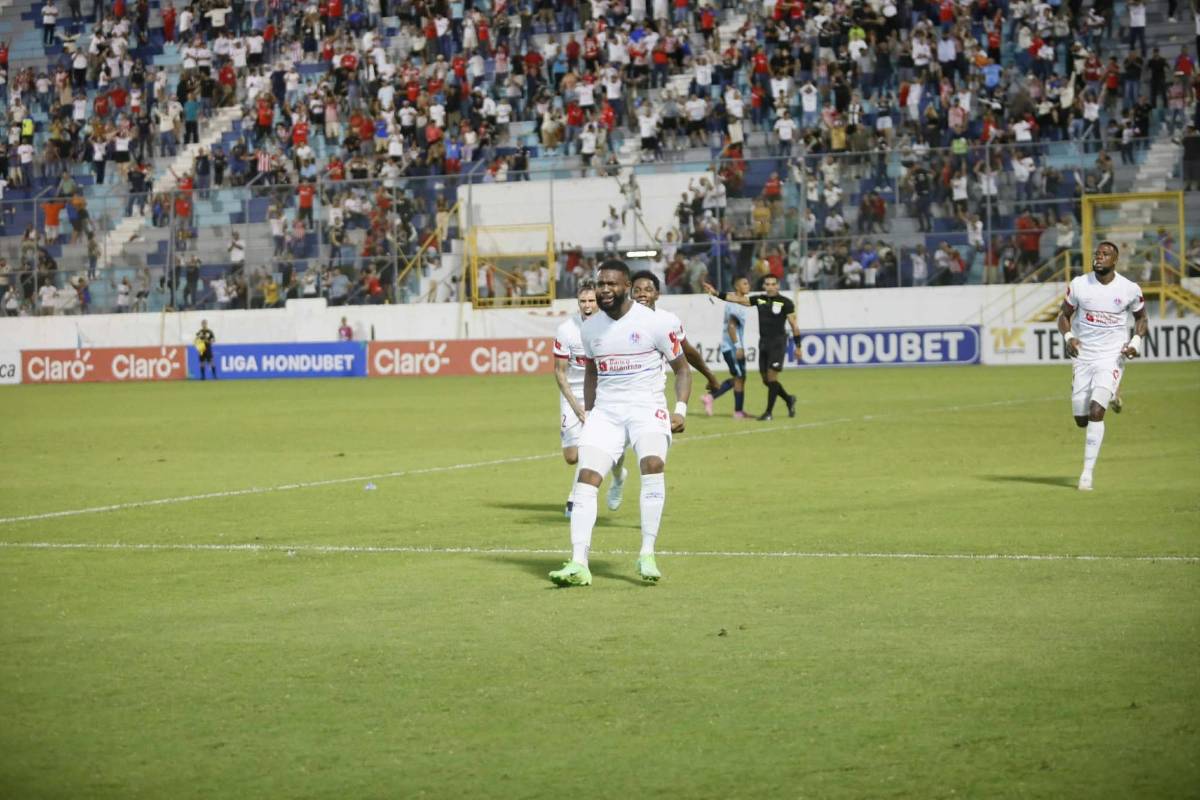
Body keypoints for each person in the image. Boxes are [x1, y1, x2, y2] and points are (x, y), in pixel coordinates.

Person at [549, 260, 691, 588]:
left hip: (647, 408)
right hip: (607, 413)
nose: (605, 290)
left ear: (626, 286)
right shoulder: (590, 328)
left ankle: (647, 552)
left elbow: (682, 368)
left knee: (652, 465)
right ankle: (579, 562)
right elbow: (591, 371)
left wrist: (680, 409)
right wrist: (591, 412)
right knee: (586, 478)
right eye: (601, 285)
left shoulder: (655, 323)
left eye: (612, 284)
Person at [1056, 241, 1148, 491]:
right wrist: (1068, 337)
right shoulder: (1079, 285)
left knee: (1097, 411)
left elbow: (1141, 318)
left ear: (1115, 260)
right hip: (1084, 355)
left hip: (1111, 355)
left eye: (1105, 254)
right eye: (1097, 253)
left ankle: (1086, 474)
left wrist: (1136, 341)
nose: (1099, 257)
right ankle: (1114, 394)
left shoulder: (1129, 289)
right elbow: (1063, 316)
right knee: (1081, 420)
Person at [552, 279, 627, 517]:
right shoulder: (566, 330)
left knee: (589, 446)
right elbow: (560, 373)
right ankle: (619, 474)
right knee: (571, 457)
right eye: (582, 301)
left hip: (601, 394)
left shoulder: (610, 326)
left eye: (591, 301)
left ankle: (574, 499)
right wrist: (576, 408)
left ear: (599, 301)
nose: (587, 305)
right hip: (572, 396)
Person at [709, 275, 801, 420]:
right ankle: (789, 399)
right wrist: (716, 294)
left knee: (772, 377)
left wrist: (798, 346)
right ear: (764, 286)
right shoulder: (760, 299)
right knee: (766, 380)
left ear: (778, 286)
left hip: (778, 343)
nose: (770, 286)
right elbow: (738, 299)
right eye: (767, 284)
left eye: (773, 284)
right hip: (763, 343)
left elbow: (794, 325)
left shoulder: (786, 302)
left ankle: (768, 413)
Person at [629, 270, 721, 396]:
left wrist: (711, 377)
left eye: (648, 290)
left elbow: (687, 351)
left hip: (651, 397)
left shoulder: (668, 321)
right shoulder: (620, 322)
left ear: (657, 294)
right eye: (637, 290)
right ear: (630, 295)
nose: (642, 294)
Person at [701, 274, 751, 418]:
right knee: (739, 378)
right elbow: (731, 326)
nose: (748, 286)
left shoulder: (739, 301)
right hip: (732, 348)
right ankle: (712, 398)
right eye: (745, 283)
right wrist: (738, 346)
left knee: (740, 378)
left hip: (735, 347)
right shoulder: (734, 305)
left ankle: (738, 411)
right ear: (737, 286)